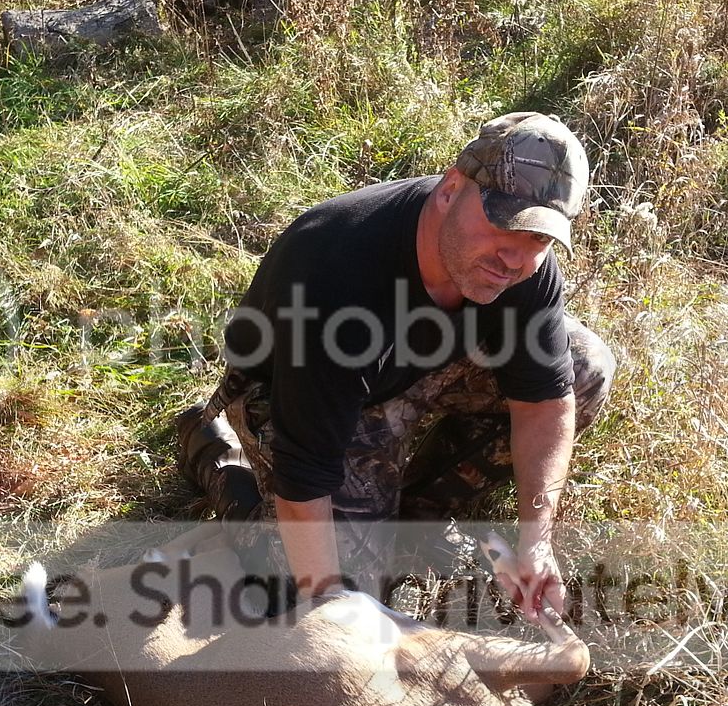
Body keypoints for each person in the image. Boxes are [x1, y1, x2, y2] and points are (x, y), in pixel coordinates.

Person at [177, 111, 616, 621]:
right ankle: (223, 465)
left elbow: (545, 400)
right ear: (450, 189)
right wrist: (336, 616)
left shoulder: (521, 268)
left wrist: (536, 541)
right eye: (504, 223)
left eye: (539, 238)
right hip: (289, 398)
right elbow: (305, 478)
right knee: (340, 595)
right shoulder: (334, 283)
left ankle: (412, 515)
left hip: (415, 370)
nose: (514, 259)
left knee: (585, 369)